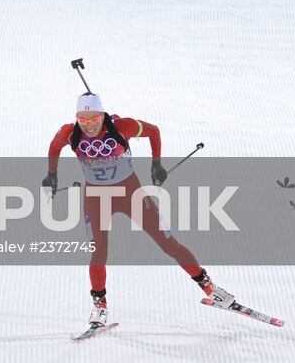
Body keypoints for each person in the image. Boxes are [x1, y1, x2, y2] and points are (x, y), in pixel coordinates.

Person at [44, 93, 233, 333]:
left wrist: (157, 163)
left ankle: (211, 289)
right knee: (98, 252)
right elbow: (54, 146)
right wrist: (52, 174)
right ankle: (99, 306)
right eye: (83, 119)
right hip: (96, 199)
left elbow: (153, 130)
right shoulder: (69, 132)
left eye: (94, 119)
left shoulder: (123, 126)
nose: (89, 124)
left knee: (168, 244)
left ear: (102, 115)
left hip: (131, 194)